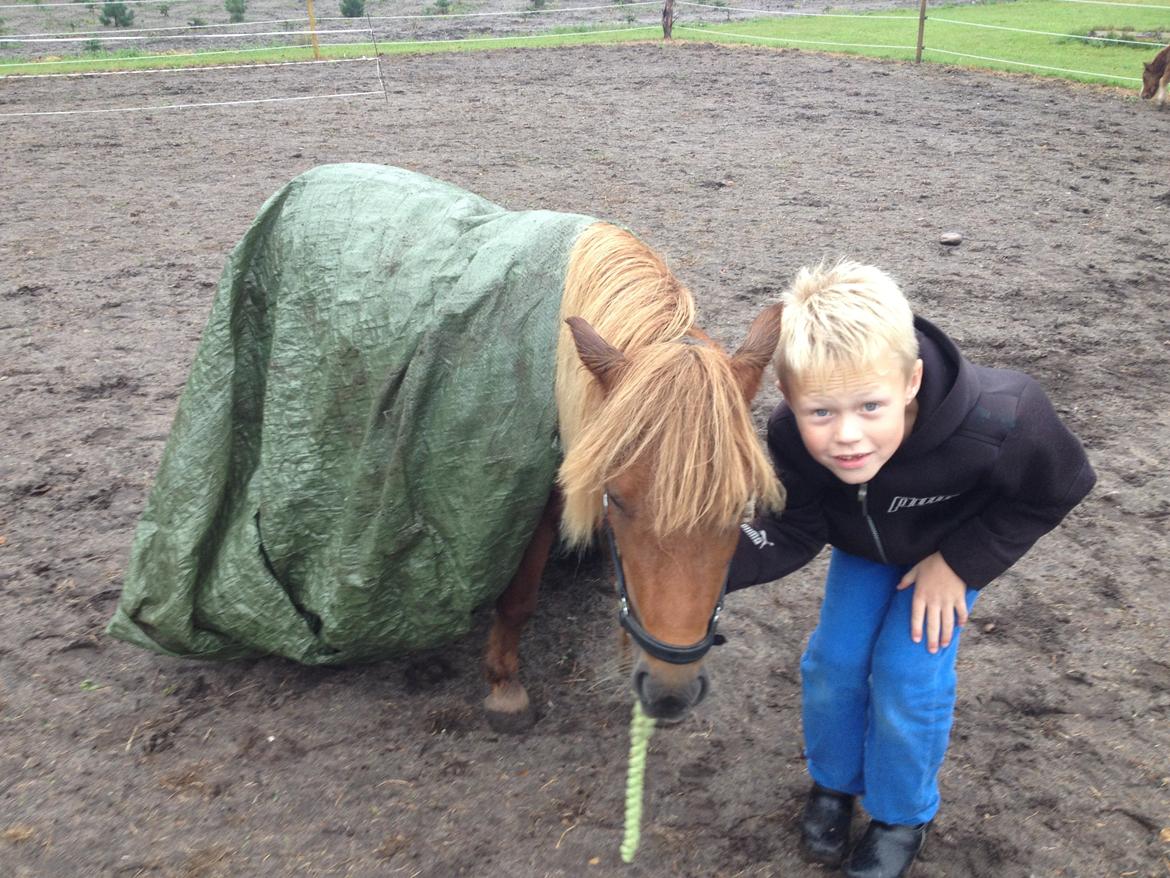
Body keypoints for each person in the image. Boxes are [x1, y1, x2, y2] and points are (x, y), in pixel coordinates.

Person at [728, 261, 1095, 877]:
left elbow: (1056, 489)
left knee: (907, 673)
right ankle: (834, 782)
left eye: (871, 406)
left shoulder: (1003, 418)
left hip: (950, 553)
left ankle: (902, 814)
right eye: (821, 412)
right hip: (865, 552)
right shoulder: (789, 438)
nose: (848, 436)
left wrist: (958, 564)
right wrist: (703, 572)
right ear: (789, 398)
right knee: (833, 663)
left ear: (911, 381)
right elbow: (795, 527)